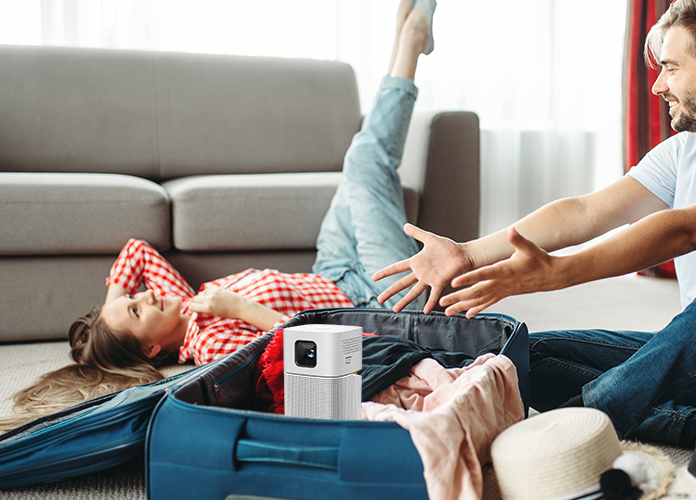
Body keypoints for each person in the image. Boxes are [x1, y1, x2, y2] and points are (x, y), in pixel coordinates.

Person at [375, 0, 696, 448]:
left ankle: (587, 418)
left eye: (671, 68)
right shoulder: (689, 150)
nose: (658, 85)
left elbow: (686, 229)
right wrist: (469, 252)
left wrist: (558, 273)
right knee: (516, 354)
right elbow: (587, 211)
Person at [0, 0, 437, 432]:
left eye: (132, 299)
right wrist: (236, 306)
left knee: (356, 160)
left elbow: (137, 252)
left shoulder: (182, 301)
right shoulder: (209, 345)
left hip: (332, 269)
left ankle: (401, 55)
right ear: (153, 350)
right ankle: (409, 45)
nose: (145, 297)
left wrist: (115, 305)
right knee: (365, 161)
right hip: (375, 299)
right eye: (137, 311)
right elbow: (310, 347)